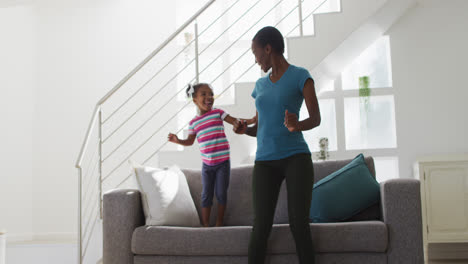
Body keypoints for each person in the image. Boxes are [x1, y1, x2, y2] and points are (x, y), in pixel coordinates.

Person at [233, 26, 321, 264]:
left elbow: (315, 118)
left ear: (268, 48)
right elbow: (261, 127)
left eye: (255, 52)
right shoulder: (260, 86)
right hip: (264, 162)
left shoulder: (301, 75)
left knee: (298, 224)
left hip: (296, 158)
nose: (255, 59)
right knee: (260, 226)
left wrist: (297, 125)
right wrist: (245, 129)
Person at [168, 83, 256, 227]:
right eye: (204, 94)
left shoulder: (218, 113)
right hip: (207, 165)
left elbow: (235, 120)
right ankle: (206, 225)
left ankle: (219, 222)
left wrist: (251, 121)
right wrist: (178, 140)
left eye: (211, 94)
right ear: (195, 99)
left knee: (221, 193)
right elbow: (190, 142)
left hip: (223, 162)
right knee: (206, 195)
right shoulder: (193, 123)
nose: (209, 97)